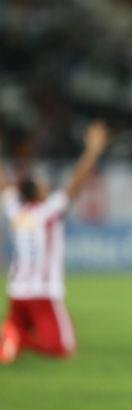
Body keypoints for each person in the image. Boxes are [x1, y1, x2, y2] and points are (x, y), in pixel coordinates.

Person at [0, 120, 110, 364]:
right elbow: (76, 182)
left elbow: (4, 182)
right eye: (42, 184)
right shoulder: (48, 211)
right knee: (63, 348)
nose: (46, 186)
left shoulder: (15, 209)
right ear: (38, 193)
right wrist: (93, 149)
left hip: (17, 289)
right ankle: (16, 337)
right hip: (43, 291)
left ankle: (12, 337)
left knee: (9, 352)